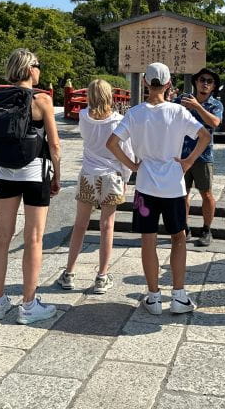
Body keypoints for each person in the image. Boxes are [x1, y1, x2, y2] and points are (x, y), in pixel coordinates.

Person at [106, 62, 211, 316]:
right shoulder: (177, 112)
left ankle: (153, 296)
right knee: (179, 239)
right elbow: (205, 135)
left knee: (148, 241)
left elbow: (112, 143)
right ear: (168, 84)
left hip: (145, 185)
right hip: (174, 185)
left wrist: (133, 165)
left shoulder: (135, 113)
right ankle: (179, 295)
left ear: (145, 82)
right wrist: (187, 161)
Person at [0, 49, 61, 323]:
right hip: (34, 174)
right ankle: (29, 306)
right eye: (38, 65)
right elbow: (54, 144)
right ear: (30, 70)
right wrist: (57, 175)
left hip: (4, 174)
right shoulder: (42, 100)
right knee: (33, 239)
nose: (39, 69)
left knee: (1, 238)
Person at [57, 79, 132, 294]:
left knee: (80, 225)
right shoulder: (119, 121)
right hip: (111, 175)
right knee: (107, 226)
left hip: (88, 173)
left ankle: (69, 272)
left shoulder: (83, 117)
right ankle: (102, 276)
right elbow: (127, 152)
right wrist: (125, 178)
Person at [175, 67, 223, 246]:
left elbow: (215, 122)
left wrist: (197, 107)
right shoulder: (181, 100)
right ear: (195, 81)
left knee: (207, 194)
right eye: (202, 79)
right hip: (181, 154)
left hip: (204, 156)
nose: (205, 83)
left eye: (210, 81)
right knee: (182, 194)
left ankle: (206, 229)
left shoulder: (216, 104)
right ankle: (184, 227)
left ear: (213, 87)